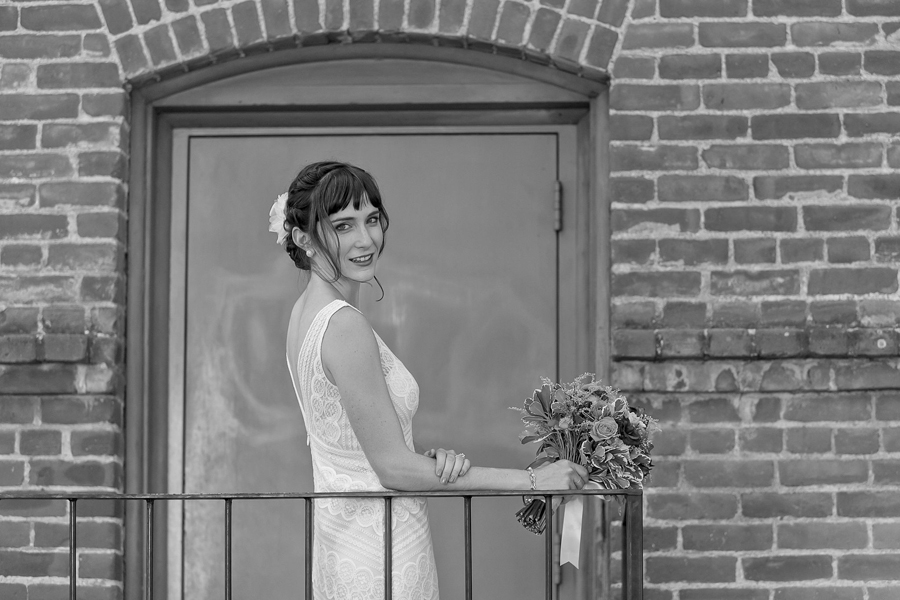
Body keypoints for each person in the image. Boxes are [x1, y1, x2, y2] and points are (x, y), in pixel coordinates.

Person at [271, 160, 589, 600]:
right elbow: (390, 468)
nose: (365, 240)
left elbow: (360, 451)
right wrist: (537, 481)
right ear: (303, 239)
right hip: (380, 553)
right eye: (343, 226)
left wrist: (428, 463)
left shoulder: (303, 314)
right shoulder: (344, 326)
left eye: (372, 220)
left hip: (343, 546)